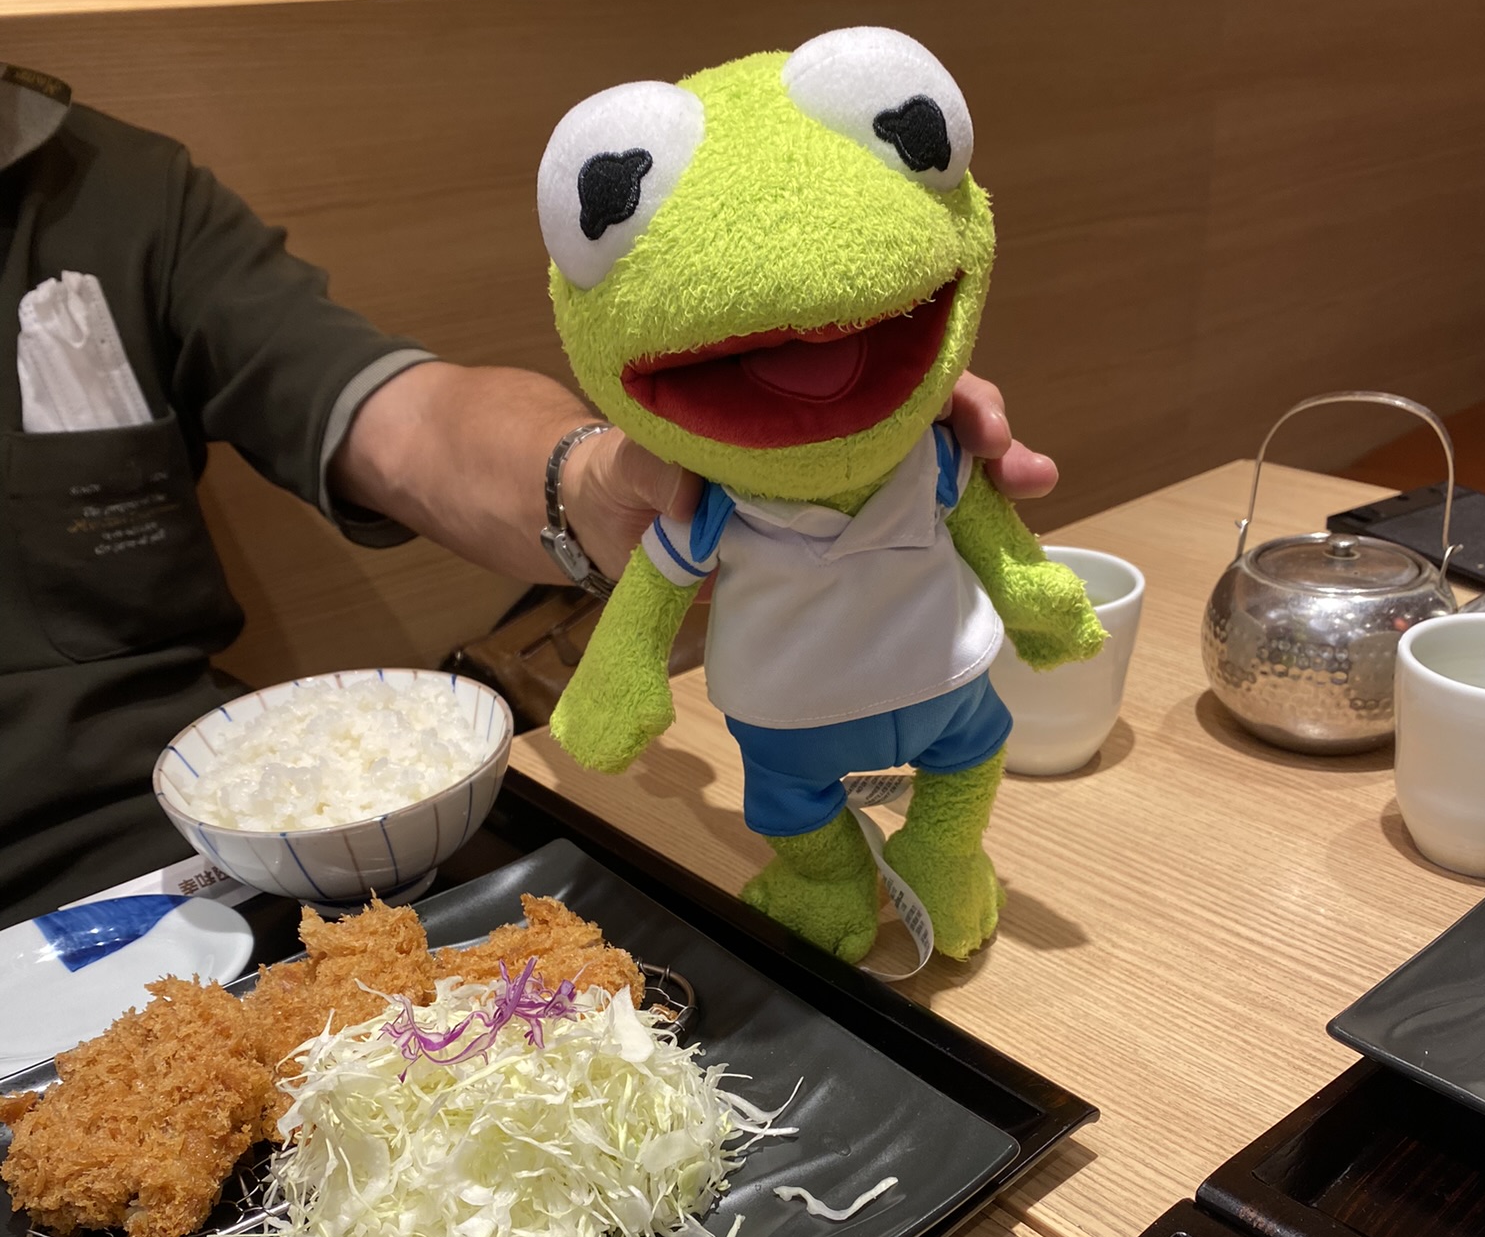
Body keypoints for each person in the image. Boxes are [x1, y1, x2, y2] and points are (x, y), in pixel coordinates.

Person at [0, 61, 1061, 926]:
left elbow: (401, 412)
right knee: (792, 810)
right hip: (111, 872)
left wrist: (597, 474)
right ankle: (828, 877)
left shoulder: (118, 188)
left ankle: (936, 858)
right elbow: (644, 617)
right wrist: (612, 688)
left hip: (171, 866)